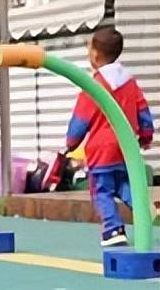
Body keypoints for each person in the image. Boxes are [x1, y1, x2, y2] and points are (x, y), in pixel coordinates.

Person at [65, 27, 154, 247]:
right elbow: (143, 111)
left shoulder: (93, 86)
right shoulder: (130, 83)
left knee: (102, 190)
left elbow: (80, 122)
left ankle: (113, 229)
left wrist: (71, 143)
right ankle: (145, 209)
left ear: (95, 55)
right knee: (124, 184)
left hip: (101, 151)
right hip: (125, 150)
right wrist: (145, 136)